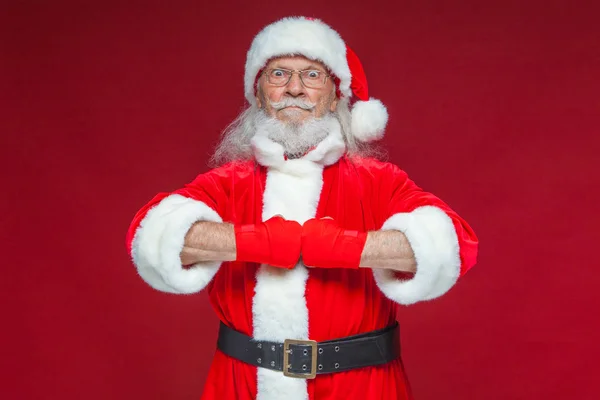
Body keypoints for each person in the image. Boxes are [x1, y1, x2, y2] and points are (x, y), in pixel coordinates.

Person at [126, 16, 478, 400]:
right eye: (278, 74)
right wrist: (266, 241)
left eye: (312, 75)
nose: (294, 88)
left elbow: (451, 245)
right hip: (242, 385)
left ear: (334, 94)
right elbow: (153, 237)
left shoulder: (379, 181)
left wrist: (335, 246)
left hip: (361, 388)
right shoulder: (229, 182)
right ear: (260, 93)